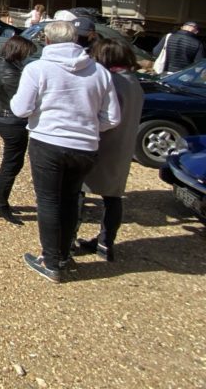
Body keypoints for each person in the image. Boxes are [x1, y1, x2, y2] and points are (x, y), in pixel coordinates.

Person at [10, 20, 121, 282]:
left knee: (48, 201)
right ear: (76, 40)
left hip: (48, 142)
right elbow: (112, 117)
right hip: (85, 146)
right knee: (71, 199)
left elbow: (20, 109)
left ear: (47, 41)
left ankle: (51, 263)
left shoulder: (37, 69)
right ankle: (62, 255)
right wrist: (88, 127)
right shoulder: (99, 72)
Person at [74, 38, 146, 262]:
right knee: (113, 196)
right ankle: (106, 242)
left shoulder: (110, 82)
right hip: (123, 147)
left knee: (77, 191)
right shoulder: (133, 81)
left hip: (100, 143)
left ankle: (67, 239)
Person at [0, 35, 38, 225]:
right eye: (26, 53)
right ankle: (0, 203)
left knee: (12, 163)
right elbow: (21, 101)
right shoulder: (9, 71)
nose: (28, 57)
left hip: (6, 117)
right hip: (11, 121)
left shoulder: (3, 65)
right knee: (12, 164)